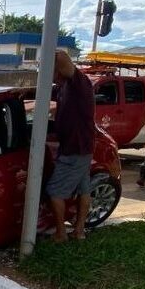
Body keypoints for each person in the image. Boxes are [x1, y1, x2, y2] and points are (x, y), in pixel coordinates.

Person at [44, 50, 95, 242]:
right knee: (84, 189)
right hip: (80, 147)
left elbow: (62, 58)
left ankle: (60, 233)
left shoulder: (79, 83)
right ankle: (79, 231)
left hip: (76, 149)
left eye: (52, 72)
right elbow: (44, 92)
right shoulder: (63, 87)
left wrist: (50, 49)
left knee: (55, 192)